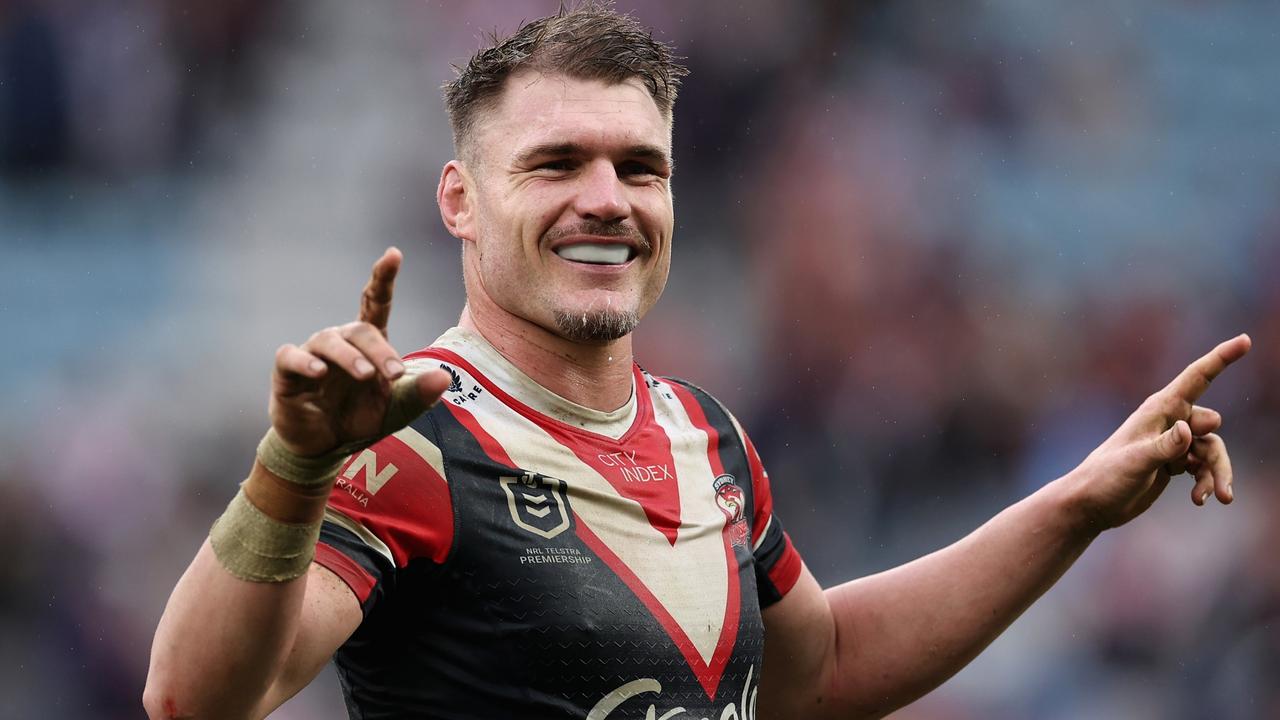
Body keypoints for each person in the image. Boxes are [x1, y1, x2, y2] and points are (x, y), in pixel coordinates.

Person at [143, 4, 1252, 719]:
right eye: (555, 163)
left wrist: (1073, 507)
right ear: (460, 202)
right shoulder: (415, 433)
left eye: (639, 167)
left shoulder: (701, 432)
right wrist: (290, 468)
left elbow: (818, 673)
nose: (604, 201)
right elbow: (194, 699)